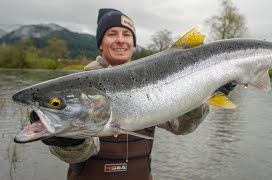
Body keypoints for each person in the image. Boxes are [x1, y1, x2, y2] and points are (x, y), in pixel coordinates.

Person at [30, 8, 236, 180]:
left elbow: (182, 127)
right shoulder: (74, 90)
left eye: (126, 34)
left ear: (134, 43)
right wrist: (68, 140)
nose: (120, 40)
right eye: (112, 34)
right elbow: (79, 155)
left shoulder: (158, 79)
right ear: (100, 43)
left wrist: (204, 95)